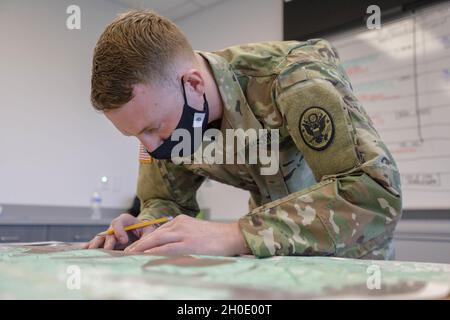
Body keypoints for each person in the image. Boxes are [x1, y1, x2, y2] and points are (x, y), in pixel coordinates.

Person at [84, 10, 402, 259]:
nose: (151, 148)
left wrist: (236, 234)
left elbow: (373, 193)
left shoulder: (293, 79)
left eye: (152, 128)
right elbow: (166, 201)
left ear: (194, 85)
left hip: (349, 265)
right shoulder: (170, 112)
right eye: (136, 135)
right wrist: (146, 226)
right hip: (272, 267)